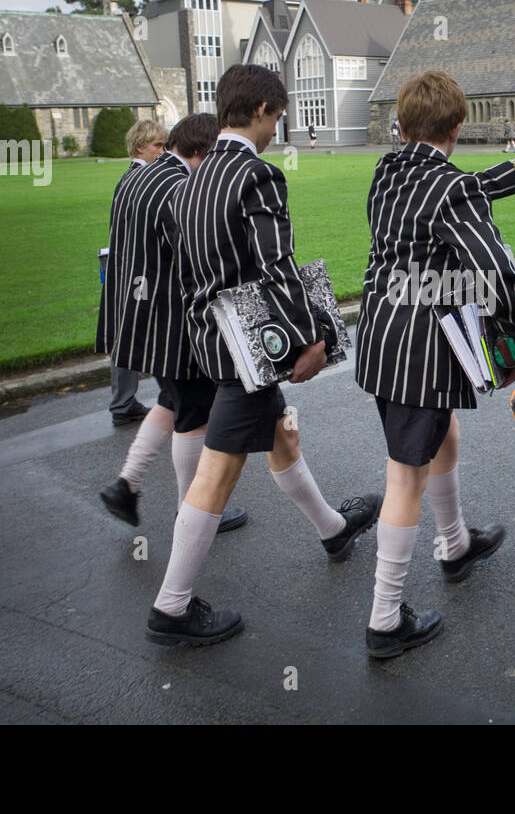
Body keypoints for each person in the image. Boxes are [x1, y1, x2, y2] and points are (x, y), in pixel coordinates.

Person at [145, 65, 381, 647]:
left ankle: (332, 529)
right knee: (218, 472)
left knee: (281, 438)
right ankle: (171, 607)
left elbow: (192, 274)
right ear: (260, 111)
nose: (277, 128)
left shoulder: (187, 180)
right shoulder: (257, 176)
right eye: (276, 116)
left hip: (213, 340)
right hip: (249, 348)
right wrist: (312, 338)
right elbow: (276, 267)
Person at [355, 70, 515, 658]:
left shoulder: (389, 170)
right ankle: (385, 620)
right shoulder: (450, 189)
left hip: (382, 333)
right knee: (404, 476)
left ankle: (454, 545)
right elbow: (495, 269)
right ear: (456, 127)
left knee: (444, 434)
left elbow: (457, 188)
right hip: (421, 345)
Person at [96, 113, 246, 534]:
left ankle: (126, 484)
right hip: (170, 322)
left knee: (171, 401)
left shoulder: (136, 176)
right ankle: (193, 513)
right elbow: (197, 257)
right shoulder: (179, 186)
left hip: (136, 313)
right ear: (199, 153)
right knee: (193, 415)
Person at [106, 120, 167, 426]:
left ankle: (124, 402)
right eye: (158, 145)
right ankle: (171, 397)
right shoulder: (145, 179)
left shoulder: (127, 178)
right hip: (139, 270)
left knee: (128, 333)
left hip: (125, 266)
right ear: (140, 146)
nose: (163, 151)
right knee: (151, 332)